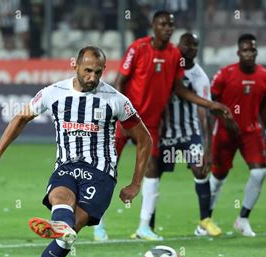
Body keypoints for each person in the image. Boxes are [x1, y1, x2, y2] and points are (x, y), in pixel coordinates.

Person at [0, 46, 152, 257]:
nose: (93, 77)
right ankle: (59, 228)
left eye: (98, 72)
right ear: (75, 65)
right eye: (88, 70)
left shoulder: (116, 100)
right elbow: (21, 117)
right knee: (60, 197)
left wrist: (136, 184)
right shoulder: (53, 93)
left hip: (100, 173)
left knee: (73, 229)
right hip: (66, 166)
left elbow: (144, 139)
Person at [92, 11, 232, 241]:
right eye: (163, 24)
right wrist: (119, 115)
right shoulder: (138, 48)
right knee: (108, 169)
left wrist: (210, 104)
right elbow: (120, 81)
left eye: (170, 25)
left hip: (151, 125)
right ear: (153, 26)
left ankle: (144, 227)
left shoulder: (174, 54)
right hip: (125, 118)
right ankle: (99, 225)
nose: (167, 28)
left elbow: (179, 89)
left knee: (152, 171)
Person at [152, 32, 221, 237]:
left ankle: (205, 221)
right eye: (186, 45)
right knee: (153, 175)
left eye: (195, 46)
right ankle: (148, 226)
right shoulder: (167, 67)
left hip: (190, 133)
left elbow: (205, 113)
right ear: (178, 46)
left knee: (201, 170)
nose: (190, 49)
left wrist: (208, 148)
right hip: (166, 134)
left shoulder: (199, 77)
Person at [209, 33, 266, 237]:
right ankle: (205, 219)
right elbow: (211, 103)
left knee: (259, 172)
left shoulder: (264, 75)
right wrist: (223, 120)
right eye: (245, 50)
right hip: (225, 133)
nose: (249, 53)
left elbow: (264, 104)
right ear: (238, 52)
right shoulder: (224, 75)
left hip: (251, 132)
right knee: (218, 178)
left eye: (252, 50)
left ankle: (243, 219)